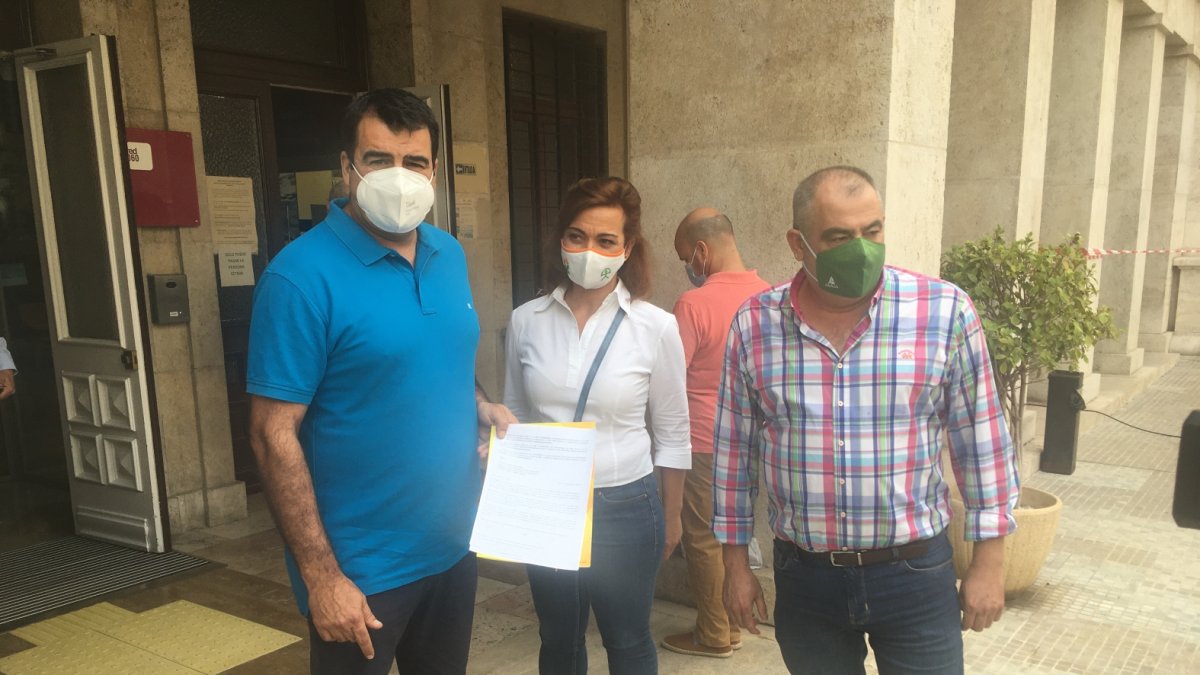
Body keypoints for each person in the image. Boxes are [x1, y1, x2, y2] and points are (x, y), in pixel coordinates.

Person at [247, 88, 515, 675]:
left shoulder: (449, 255)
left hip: (452, 547)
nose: (399, 177)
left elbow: (441, 357)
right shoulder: (298, 278)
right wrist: (322, 578)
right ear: (346, 167)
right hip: (361, 572)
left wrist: (482, 405)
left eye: (414, 163)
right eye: (378, 159)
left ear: (435, 171)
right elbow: (272, 435)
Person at [714, 166, 1019, 674]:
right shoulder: (755, 325)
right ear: (798, 243)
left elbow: (981, 442)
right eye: (838, 237)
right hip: (806, 578)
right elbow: (733, 456)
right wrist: (734, 565)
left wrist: (989, 563)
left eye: (872, 231)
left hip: (915, 572)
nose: (861, 249)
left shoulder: (943, 311)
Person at [503, 176, 691, 674]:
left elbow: (673, 433)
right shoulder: (527, 320)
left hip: (625, 504)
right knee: (558, 639)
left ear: (627, 249)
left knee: (627, 642)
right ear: (560, 241)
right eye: (577, 236)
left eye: (606, 240)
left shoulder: (655, 327)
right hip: (548, 504)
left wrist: (672, 518)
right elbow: (515, 412)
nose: (590, 250)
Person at [660, 208, 769, 659]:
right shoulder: (769, 295)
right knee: (733, 536)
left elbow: (668, 379)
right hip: (755, 442)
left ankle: (713, 635)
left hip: (704, 441)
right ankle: (732, 624)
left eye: (687, 257)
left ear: (701, 251)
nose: (689, 267)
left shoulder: (693, 303)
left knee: (702, 539)